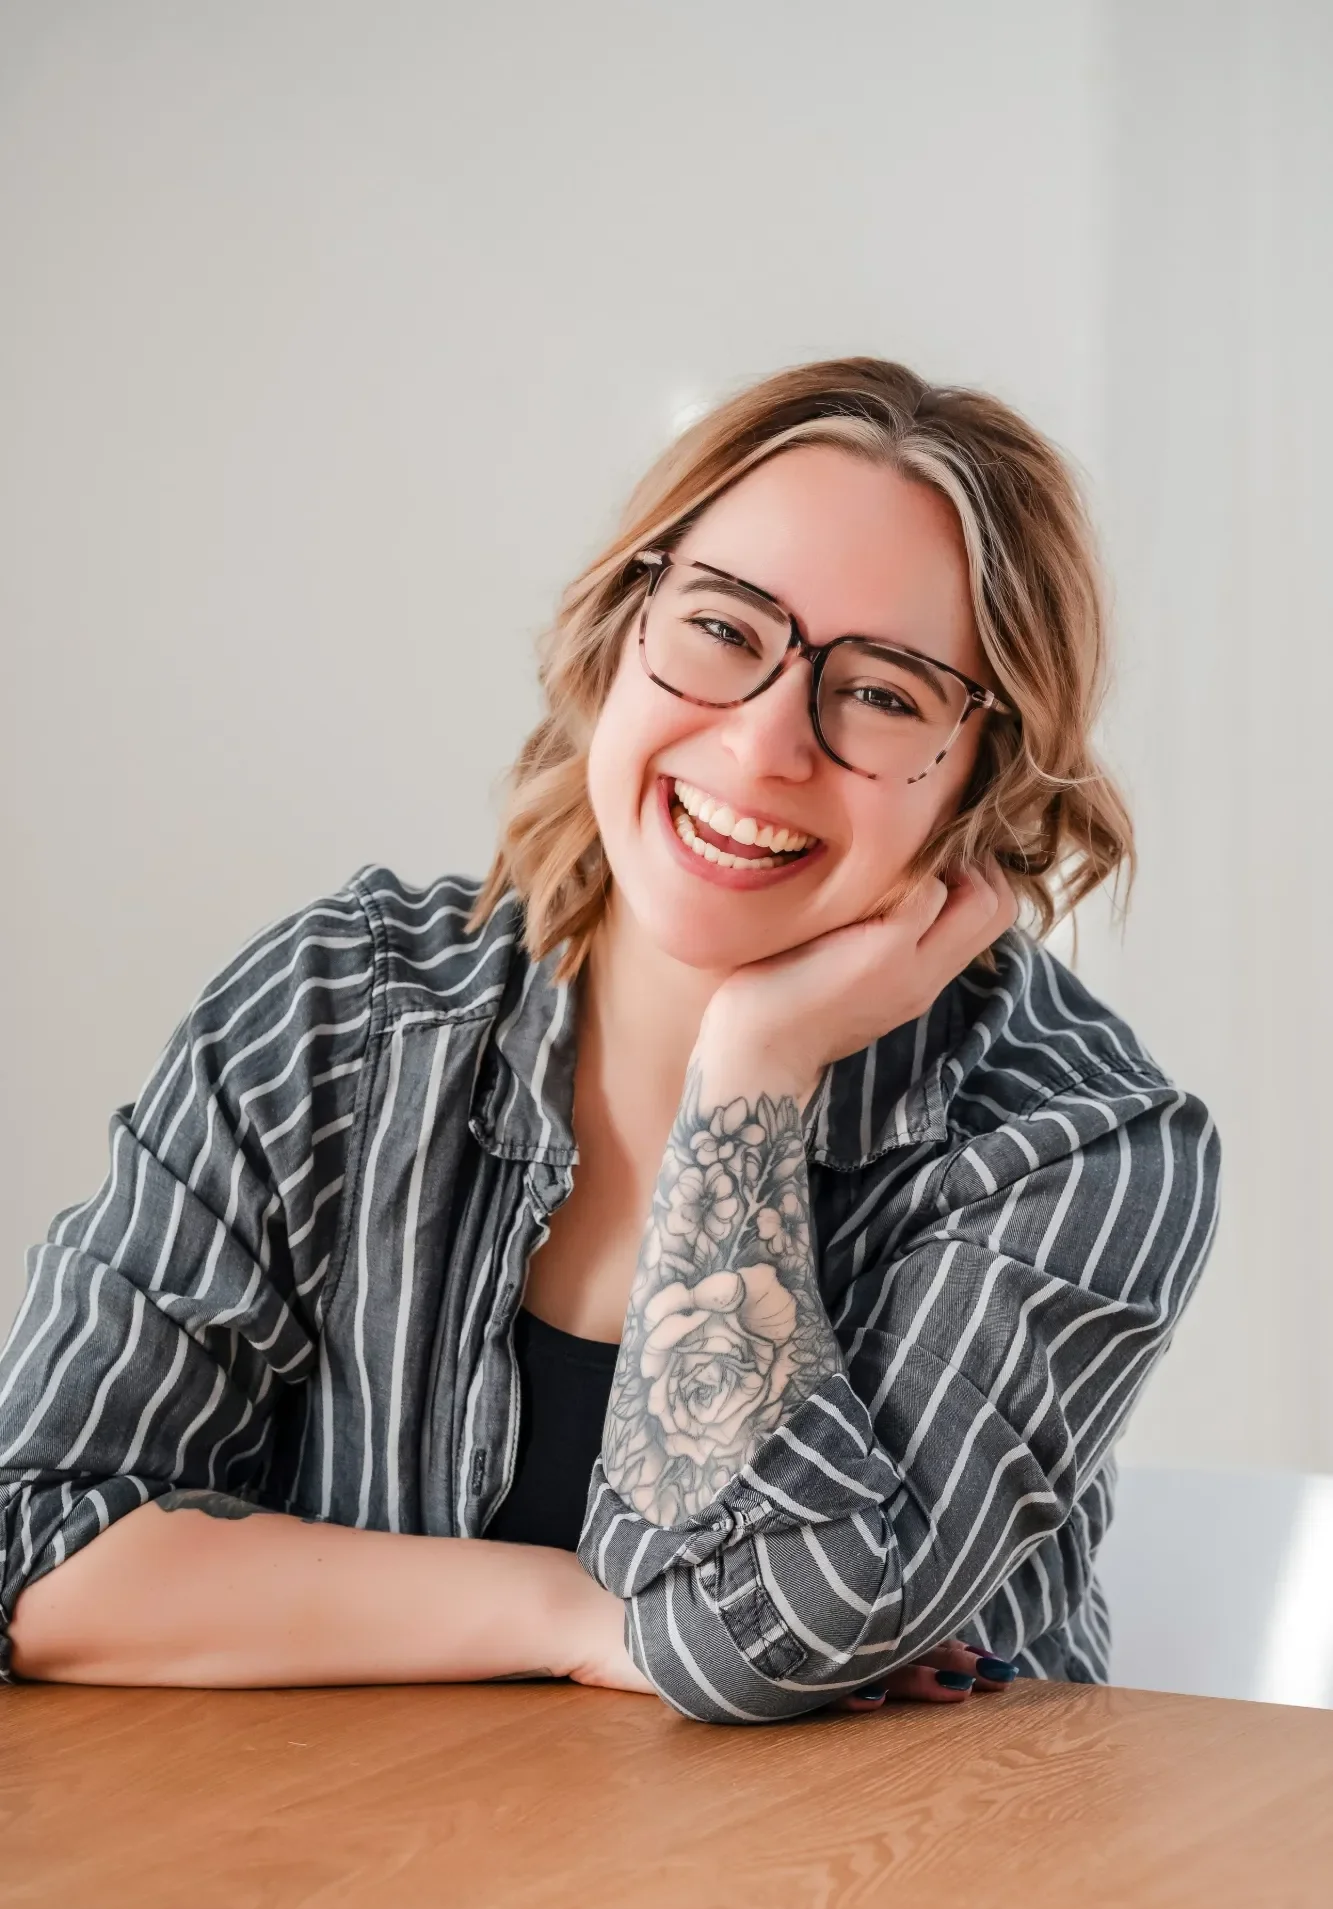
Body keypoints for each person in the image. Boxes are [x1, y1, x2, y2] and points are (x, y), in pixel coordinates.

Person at [1, 358, 1219, 1723]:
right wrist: (564, 1611)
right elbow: (35, 1539)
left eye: (882, 693)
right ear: (619, 629)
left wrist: (753, 1076)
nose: (765, 746)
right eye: (721, 626)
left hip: (899, 1905)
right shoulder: (336, 1017)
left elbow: (752, 1644)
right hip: (400, 1885)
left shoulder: (1082, 1145)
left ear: (982, 775)